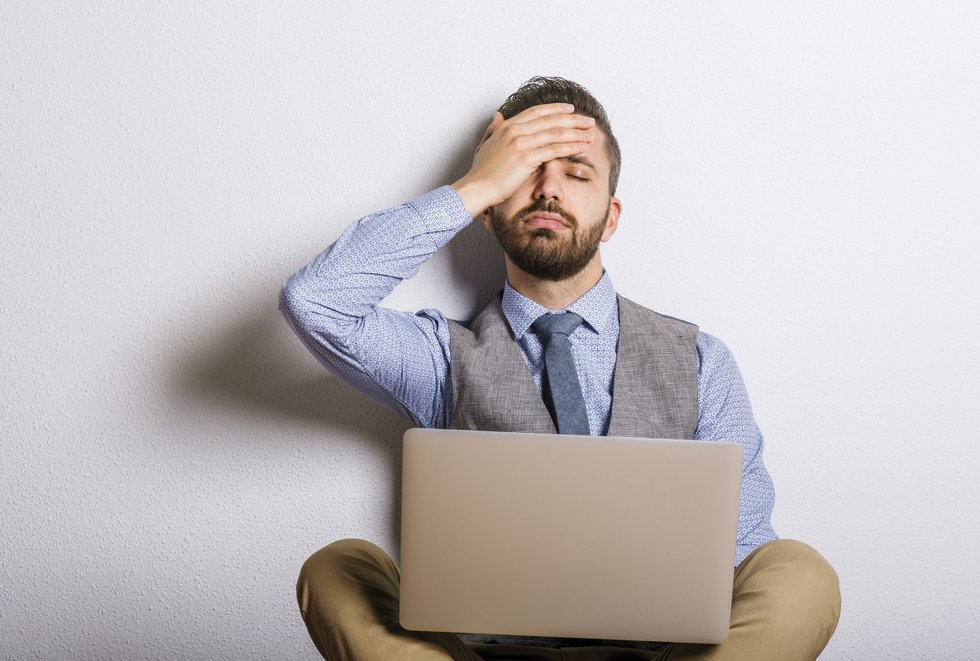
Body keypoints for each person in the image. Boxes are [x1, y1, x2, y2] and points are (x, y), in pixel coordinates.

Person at [279, 76, 841, 660]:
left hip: (662, 655)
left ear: (612, 217)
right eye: (526, 171)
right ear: (489, 211)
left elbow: (745, 551)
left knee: (797, 572)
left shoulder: (701, 360)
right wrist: (474, 186)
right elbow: (315, 302)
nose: (548, 190)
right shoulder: (441, 356)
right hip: (484, 655)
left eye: (576, 173)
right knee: (339, 567)